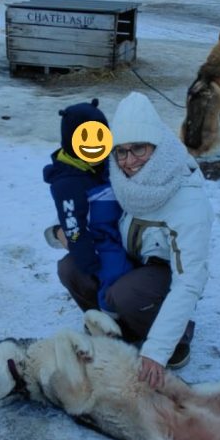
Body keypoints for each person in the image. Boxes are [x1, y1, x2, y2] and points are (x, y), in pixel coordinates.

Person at [98, 91, 214, 390]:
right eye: (121, 151)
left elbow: (190, 280)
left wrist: (156, 351)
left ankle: (176, 338)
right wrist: (62, 230)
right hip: (134, 259)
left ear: (157, 145)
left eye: (138, 148)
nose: (129, 161)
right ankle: (120, 327)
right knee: (72, 268)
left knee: (125, 293)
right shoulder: (124, 181)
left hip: (164, 273)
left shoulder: (187, 199)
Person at [43, 99, 132, 313]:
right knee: (115, 271)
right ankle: (109, 316)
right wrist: (88, 259)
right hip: (100, 241)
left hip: (120, 233)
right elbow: (72, 225)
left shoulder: (105, 163)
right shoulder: (68, 183)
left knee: (126, 270)